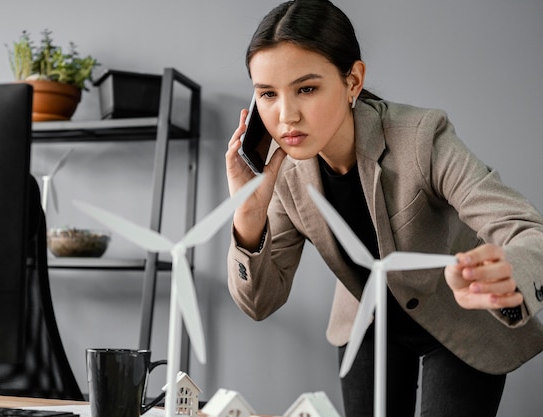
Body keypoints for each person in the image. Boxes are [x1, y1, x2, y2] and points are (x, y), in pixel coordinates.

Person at [225, 1, 543, 416]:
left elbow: (525, 229)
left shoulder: (422, 137)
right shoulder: (282, 175)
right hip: (368, 322)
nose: (287, 116)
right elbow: (259, 302)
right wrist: (247, 219)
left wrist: (509, 272)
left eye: (306, 88)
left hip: (457, 319)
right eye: (268, 94)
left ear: (353, 80)